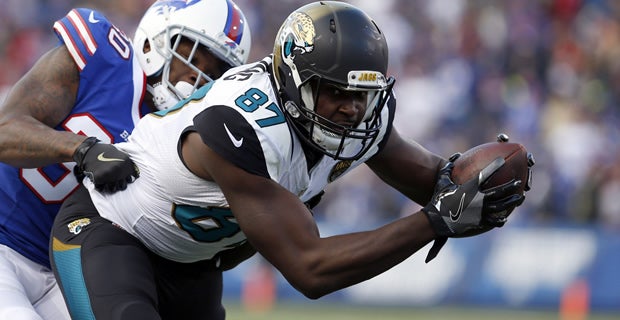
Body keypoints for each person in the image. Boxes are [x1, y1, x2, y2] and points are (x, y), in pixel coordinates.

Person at [50, 1, 533, 319]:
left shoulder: (363, 118)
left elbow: (438, 183)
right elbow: (310, 269)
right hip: (109, 232)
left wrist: (484, 184)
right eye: (336, 93)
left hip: (192, 263)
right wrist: (434, 222)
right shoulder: (237, 126)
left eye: (362, 94)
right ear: (293, 82)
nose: (351, 108)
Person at [0, 0, 251, 318]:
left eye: (215, 73)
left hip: (71, 266)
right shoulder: (103, 58)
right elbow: (5, 130)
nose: (197, 76)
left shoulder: (196, 137)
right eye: (193, 56)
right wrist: (83, 150)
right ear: (154, 41)